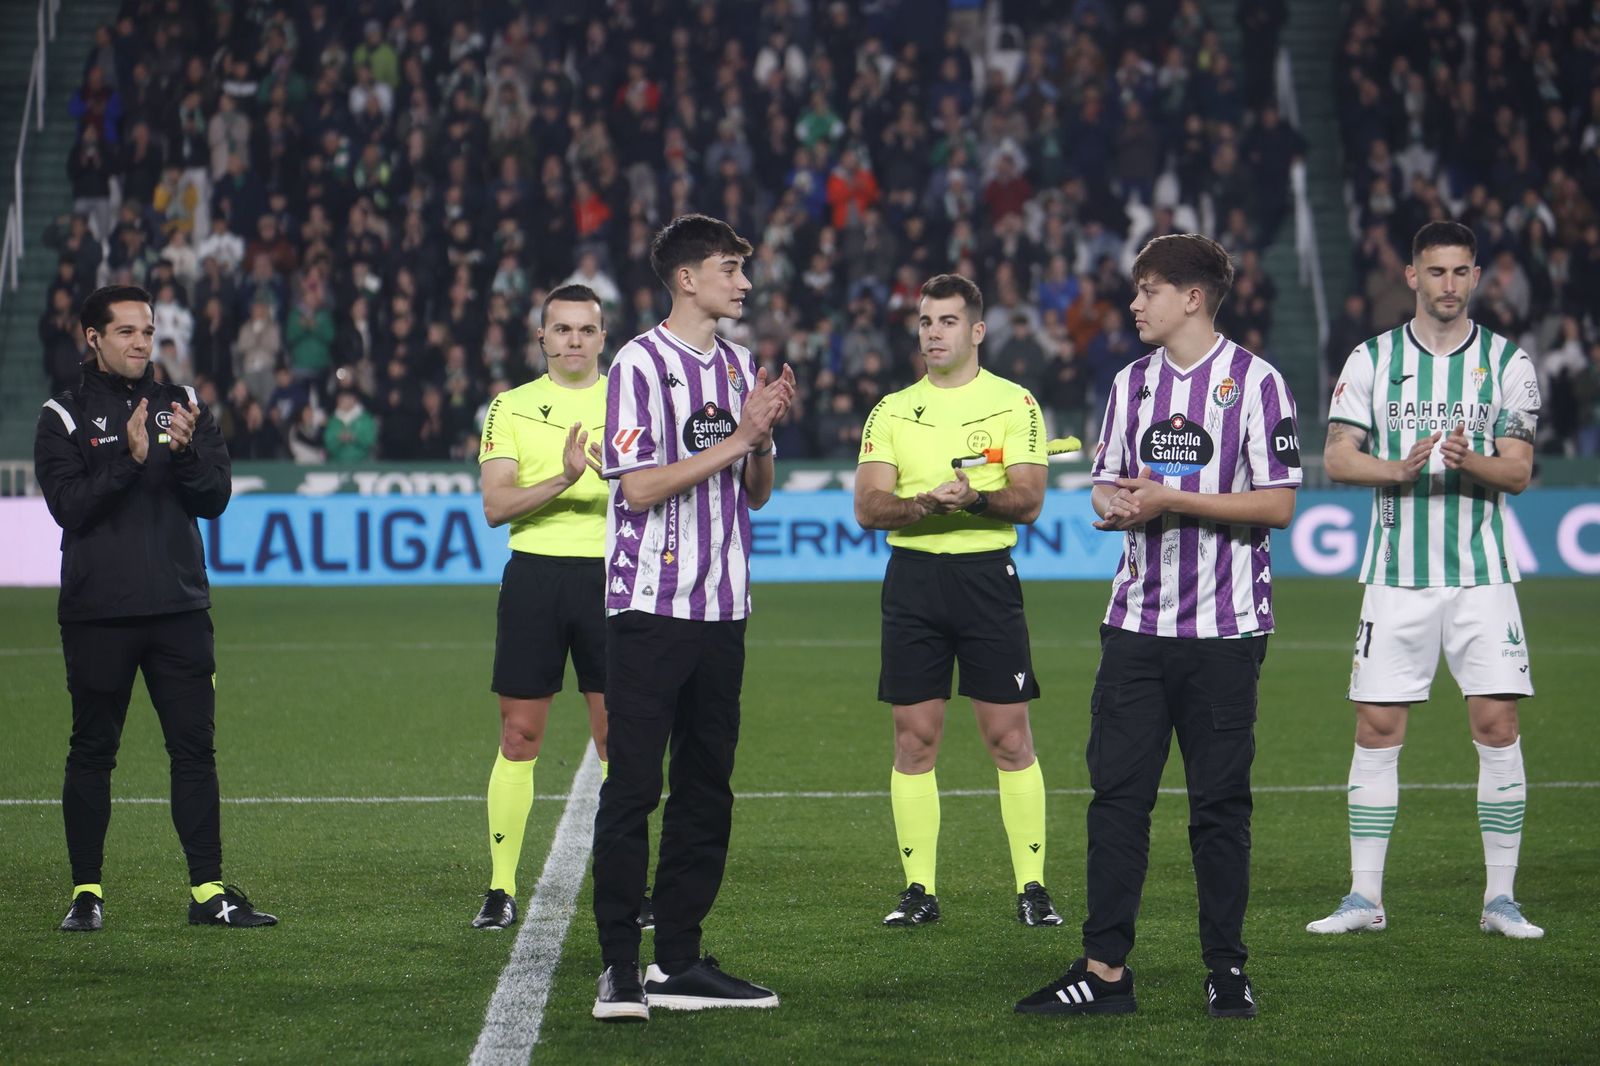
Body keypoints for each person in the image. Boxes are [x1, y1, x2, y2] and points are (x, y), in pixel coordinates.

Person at [1017, 235, 1302, 1018]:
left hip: (1226, 630)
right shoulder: (1130, 386)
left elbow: (1276, 505)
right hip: (1136, 627)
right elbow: (1107, 488)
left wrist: (1172, 497)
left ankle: (1226, 969)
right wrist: (1119, 506)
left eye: (1147, 291)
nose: (1134, 304)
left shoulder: (1257, 384)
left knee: (1219, 807)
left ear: (1193, 299)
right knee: (1117, 800)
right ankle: (1105, 972)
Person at [1308, 220, 1544, 940]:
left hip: (1481, 577)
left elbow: (1521, 472)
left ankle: (1499, 899)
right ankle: (1364, 898)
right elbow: (1338, 459)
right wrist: (1398, 469)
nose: (1449, 285)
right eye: (1436, 272)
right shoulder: (1372, 359)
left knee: (1496, 725)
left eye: (1461, 272)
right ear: (1411, 275)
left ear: (1476, 278)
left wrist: (1468, 460)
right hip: (1396, 576)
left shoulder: (1508, 362)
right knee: (1377, 729)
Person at [590, 214, 795, 1021]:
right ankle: (618, 967)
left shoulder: (742, 363)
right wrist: (741, 433)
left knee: (707, 789)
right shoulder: (638, 364)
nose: (744, 283)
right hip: (650, 608)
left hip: (723, 609)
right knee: (635, 788)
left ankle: (677, 960)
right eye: (730, 268)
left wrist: (764, 439)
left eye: (743, 269)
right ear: (685, 279)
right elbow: (636, 487)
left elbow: (756, 492)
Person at [33, 284, 276, 932]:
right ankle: (87, 894)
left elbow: (215, 497)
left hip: (179, 609)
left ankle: (208, 892)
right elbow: (70, 507)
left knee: (194, 752)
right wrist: (132, 460)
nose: (142, 342)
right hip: (99, 613)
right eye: (127, 332)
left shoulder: (184, 405)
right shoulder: (61, 415)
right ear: (94, 338)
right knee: (92, 751)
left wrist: (186, 452)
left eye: (147, 331)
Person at [853, 273, 1061, 929]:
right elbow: (867, 506)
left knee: (1008, 736)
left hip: (985, 578)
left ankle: (1032, 888)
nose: (933, 333)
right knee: (914, 740)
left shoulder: (1014, 403)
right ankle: (919, 891)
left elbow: (1029, 500)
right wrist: (922, 503)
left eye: (947, 321)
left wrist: (971, 498)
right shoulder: (890, 409)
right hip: (912, 580)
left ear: (976, 331)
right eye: (925, 321)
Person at [470, 284, 612, 930]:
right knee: (519, 734)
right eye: (562, 330)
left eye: (585, 330)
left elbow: (658, 491)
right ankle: (501, 888)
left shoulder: (630, 399)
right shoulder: (512, 407)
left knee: (621, 740)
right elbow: (497, 506)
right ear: (542, 338)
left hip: (614, 579)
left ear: (602, 337)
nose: (573, 341)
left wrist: (617, 478)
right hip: (535, 578)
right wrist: (564, 476)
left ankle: (625, 884)